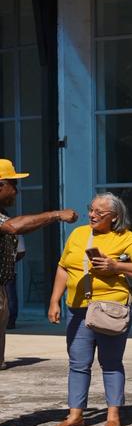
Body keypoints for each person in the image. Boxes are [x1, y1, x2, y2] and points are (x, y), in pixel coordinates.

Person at [47, 192, 132, 426]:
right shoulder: (78, 234)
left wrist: (116, 266)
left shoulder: (126, 237)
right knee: (78, 363)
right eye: (91, 209)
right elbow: (63, 267)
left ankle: (113, 414)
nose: (91, 215)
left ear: (114, 217)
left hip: (111, 309)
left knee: (111, 362)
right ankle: (75, 414)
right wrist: (54, 300)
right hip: (77, 310)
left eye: (99, 212)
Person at [0, 158, 79, 375]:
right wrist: (56, 215)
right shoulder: (6, 221)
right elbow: (13, 227)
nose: (16, 191)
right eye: (13, 184)